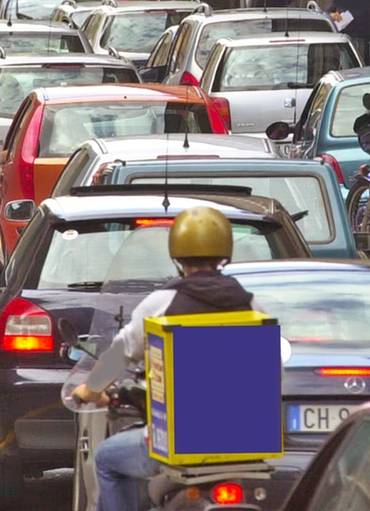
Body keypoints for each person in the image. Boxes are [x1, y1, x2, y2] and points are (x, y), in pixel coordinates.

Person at [71, 207, 255, 511]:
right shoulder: (250, 304)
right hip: (245, 445)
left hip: (177, 444)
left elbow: (120, 354)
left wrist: (89, 390)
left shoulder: (163, 304)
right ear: (226, 251)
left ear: (176, 255)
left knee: (105, 459)